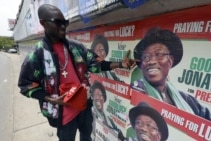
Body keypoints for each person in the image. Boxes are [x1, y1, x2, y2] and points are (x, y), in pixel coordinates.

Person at [17, 4, 135, 141]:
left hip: (84, 107)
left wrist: (121, 64)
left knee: (87, 137)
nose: (63, 26)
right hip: (63, 115)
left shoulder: (76, 47)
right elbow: (25, 85)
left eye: (65, 22)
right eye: (58, 22)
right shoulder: (37, 55)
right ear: (43, 23)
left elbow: (95, 64)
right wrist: (52, 99)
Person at [131, 27, 211, 125]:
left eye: (159, 54)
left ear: (170, 61)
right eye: (146, 57)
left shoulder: (187, 100)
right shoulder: (135, 91)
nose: (151, 61)